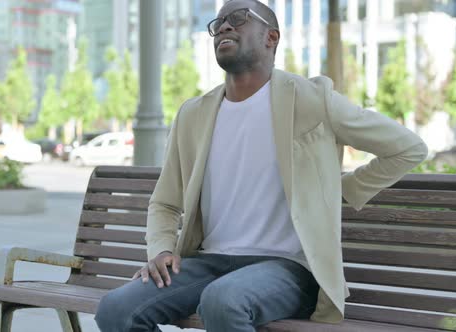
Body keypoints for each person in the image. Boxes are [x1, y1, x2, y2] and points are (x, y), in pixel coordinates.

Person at [95, 0, 428, 331]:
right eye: (219, 22)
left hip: (287, 269)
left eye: (238, 18)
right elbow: (165, 202)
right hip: (209, 262)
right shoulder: (193, 114)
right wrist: (161, 249)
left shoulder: (312, 99)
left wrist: (343, 191)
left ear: (271, 38)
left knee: (223, 301)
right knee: (116, 310)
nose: (224, 26)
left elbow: (408, 148)